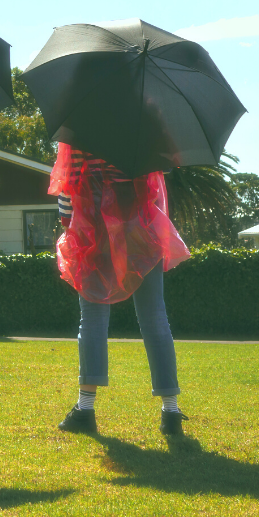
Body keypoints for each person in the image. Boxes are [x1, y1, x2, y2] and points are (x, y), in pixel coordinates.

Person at [49, 142, 191, 437]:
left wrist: (70, 226)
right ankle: (171, 411)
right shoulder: (144, 121)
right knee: (154, 316)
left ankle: (85, 409)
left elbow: (68, 189)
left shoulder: (77, 129)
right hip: (142, 228)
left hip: (93, 230)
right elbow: (157, 181)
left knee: (92, 316)